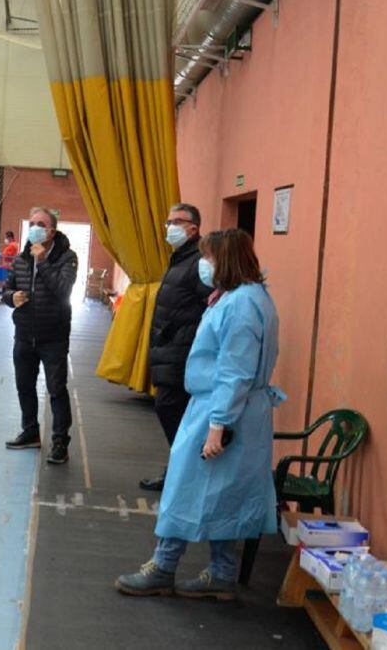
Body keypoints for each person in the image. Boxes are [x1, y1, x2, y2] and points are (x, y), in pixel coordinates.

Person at [115, 229, 284, 601]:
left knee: (185, 486)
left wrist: (217, 426)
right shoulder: (247, 298)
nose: (202, 265)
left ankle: (164, 566)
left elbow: (234, 371)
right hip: (235, 408)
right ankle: (222, 572)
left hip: (221, 409)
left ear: (224, 261)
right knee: (224, 494)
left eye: (208, 257)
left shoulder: (240, 306)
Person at [139, 204, 214, 491]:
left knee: (170, 408)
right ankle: (180, 470)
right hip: (168, 349)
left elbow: (209, 306)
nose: (169, 227)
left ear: (193, 228)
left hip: (181, 352)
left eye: (177, 222)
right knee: (174, 412)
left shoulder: (200, 262)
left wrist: (181, 335)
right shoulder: (180, 257)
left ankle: (185, 472)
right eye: (167, 221)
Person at [2, 208, 80, 465]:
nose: (35, 227)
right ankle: (30, 431)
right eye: (32, 223)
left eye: (41, 224)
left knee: (56, 389)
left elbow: (63, 290)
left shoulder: (67, 257)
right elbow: (7, 288)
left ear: (52, 231)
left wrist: (44, 260)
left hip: (53, 336)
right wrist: (11, 298)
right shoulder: (21, 258)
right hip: (24, 333)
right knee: (24, 385)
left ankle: (60, 442)